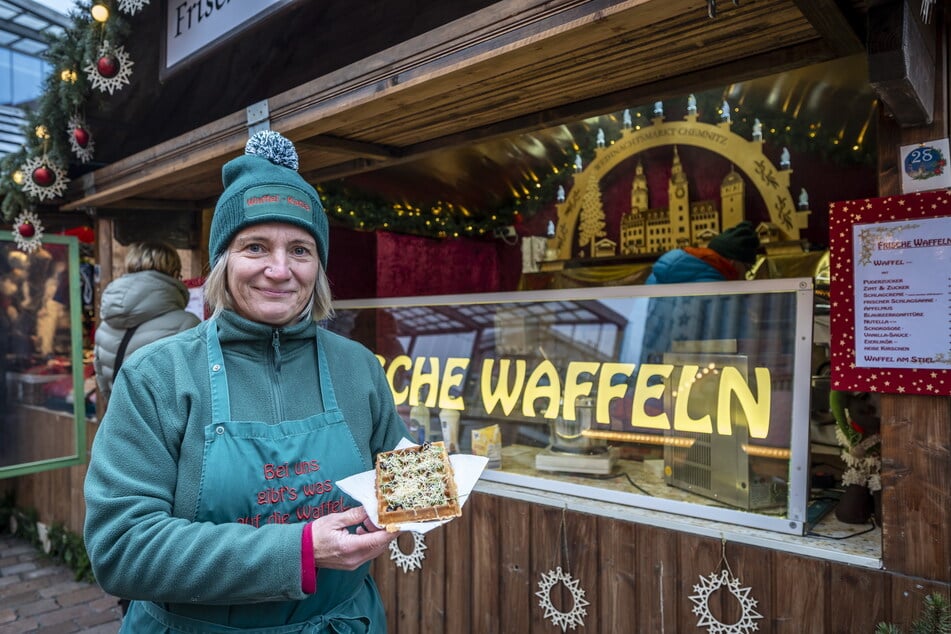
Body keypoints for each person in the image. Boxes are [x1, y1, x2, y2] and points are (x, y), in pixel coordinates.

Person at [84, 130, 409, 633]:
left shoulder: (358, 366)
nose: (279, 270)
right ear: (223, 261)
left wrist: (435, 479)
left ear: (318, 265)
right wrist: (300, 550)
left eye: (300, 250)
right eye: (255, 246)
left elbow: (397, 484)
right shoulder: (158, 376)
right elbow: (121, 547)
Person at [93, 241, 201, 406]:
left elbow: (102, 380)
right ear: (174, 273)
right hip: (162, 428)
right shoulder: (186, 324)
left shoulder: (105, 324)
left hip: (119, 419)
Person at [645, 220, 760, 284]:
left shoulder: (658, 273)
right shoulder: (718, 288)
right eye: (747, 268)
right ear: (733, 262)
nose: (745, 278)